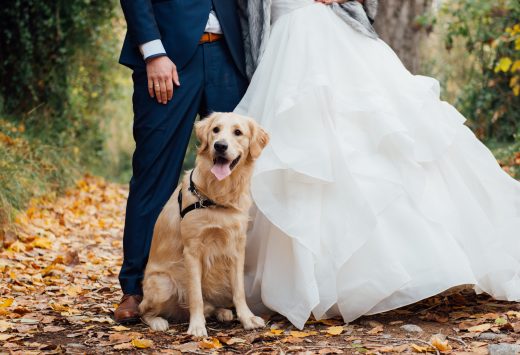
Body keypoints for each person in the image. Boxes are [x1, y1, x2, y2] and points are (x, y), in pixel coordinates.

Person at [236, 0, 520, 329]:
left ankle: (398, 270)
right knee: (302, 150)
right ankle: (310, 280)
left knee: (366, 143)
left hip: (331, 35)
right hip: (281, 43)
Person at [115, 0, 248, 323]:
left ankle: (225, 292)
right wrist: (153, 52)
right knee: (154, 174)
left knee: (233, 179)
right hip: (167, 57)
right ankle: (136, 288)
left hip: (230, 55)